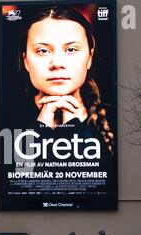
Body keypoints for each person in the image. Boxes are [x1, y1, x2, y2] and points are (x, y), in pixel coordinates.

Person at [19, 6, 114, 157]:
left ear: (89, 58)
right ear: (26, 61)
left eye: (71, 49)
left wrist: (74, 129)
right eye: (43, 51)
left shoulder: (114, 120)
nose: (57, 63)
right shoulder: (8, 120)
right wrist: (40, 128)